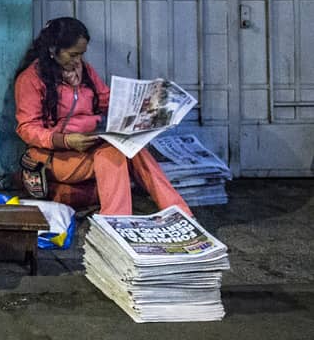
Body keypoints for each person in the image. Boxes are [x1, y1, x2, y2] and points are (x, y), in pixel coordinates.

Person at [13, 17, 192, 217]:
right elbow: (27, 128)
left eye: (81, 55)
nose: (77, 61)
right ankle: (116, 220)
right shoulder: (30, 79)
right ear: (53, 50)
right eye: (72, 55)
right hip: (54, 155)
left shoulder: (84, 72)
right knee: (113, 154)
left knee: (135, 150)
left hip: (88, 145)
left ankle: (180, 213)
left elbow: (106, 100)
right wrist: (65, 140)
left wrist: (146, 109)